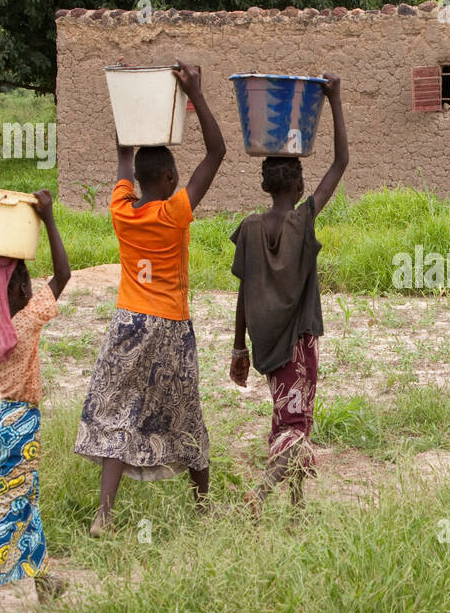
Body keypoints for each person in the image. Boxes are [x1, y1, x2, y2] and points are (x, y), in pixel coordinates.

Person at [75, 60, 226, 537]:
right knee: (186, 412)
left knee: (119, 411)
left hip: (127, 324)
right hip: (170, 326)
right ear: (166, 182)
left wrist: (131, 111)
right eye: (176, 175)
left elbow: (124, 157)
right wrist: (195, 94)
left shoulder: (122, 209)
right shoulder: (174, 212)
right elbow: (217, 153)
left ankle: (105, 515)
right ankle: (203, 508)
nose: (180, 180)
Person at [230, 74, 347, 519]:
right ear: (299, 187)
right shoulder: (303, 221)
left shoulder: (250, 227)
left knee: (285, 417)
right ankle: (258, 499)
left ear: (266, 185)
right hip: (298, 340)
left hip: (265, 342)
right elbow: (340, 163)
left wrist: (239, 346)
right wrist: (335, 101)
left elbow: (242, 290)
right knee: (297, 425)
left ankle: (297, 512)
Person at [0, 189, 71, 613]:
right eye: (25, 278)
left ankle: (44, 581)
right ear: (23, 286)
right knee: (11, 506)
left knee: (25, 501)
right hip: (21, 423)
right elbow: (64, 273)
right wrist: (46, 219)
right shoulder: (27, 320)